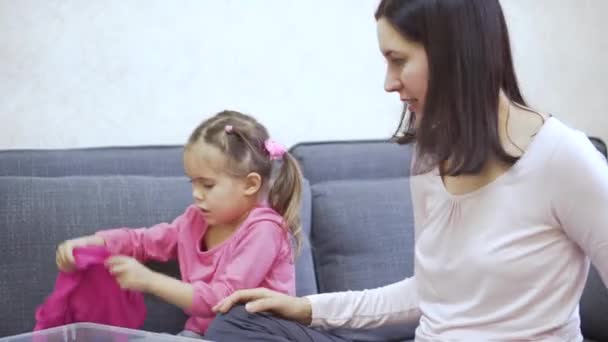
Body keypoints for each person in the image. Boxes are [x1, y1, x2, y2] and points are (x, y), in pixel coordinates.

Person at [205, 0, 608, 341]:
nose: (389, 83)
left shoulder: (564, 158)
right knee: (237, 324)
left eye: (398, 60)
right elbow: (430, 294)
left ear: (455, 55)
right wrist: (307, 308)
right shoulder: (432, 155)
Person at [55, 110, 304, 338]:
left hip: (257, 336)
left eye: (207, 185)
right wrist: (94, 243)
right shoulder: (194, 220)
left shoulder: (265, 230)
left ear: (250, 184)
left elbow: (221, 299)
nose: (197, 194)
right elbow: (144, 241)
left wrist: (149, 281)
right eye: (192, 183)